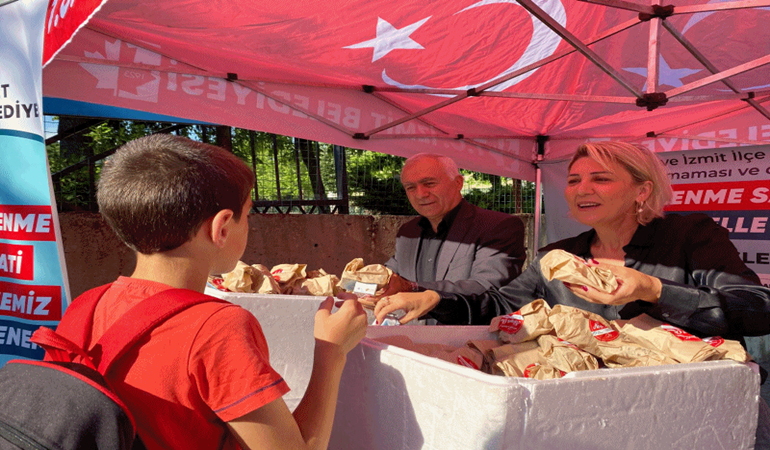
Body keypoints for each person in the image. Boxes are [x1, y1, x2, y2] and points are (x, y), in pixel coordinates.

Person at [69, 134, 367, 450]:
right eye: (248, 213)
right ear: (222, 227)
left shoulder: (85, 306)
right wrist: (331, 352)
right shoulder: (218, 328)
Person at [374, 141, 770, 340]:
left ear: (642, 191)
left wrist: (653, 289)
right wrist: (434, 299)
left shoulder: (689, 235)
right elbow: (499, 304)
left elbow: (756, 309)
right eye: (575, 180)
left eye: (601, 178)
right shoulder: (559, 256)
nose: (582, 189)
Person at [378, 153, 527, 323]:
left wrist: (413, 289)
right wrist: (363, 283)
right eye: (410, 187)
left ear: (458, 183)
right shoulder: (408, 232)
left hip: (470, 344)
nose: (420, 194)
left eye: (429, 184)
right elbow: (391, 274)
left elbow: (488, 289)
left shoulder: (498, 226)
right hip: (410, 340)